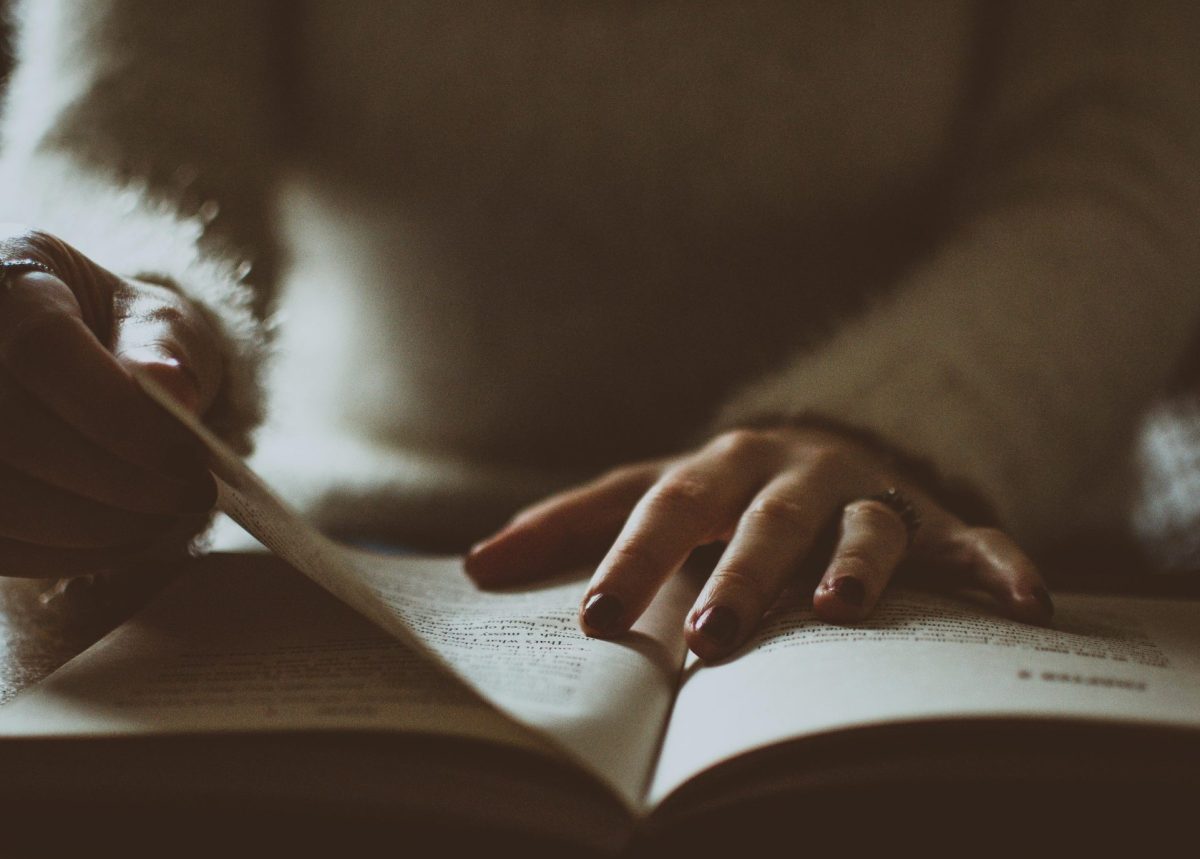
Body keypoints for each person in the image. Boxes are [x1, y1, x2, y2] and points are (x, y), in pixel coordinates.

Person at [0, 1, 1197, 663]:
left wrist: (901, 420)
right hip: (354, 555)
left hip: (949, 539)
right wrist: (109, 333)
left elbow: (1127, 163)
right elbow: (121, 140)